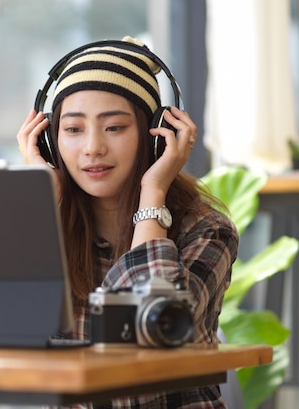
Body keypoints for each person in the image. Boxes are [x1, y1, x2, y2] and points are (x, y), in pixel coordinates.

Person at [17, 37, 238, 408]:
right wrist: (44, 200)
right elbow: (4, 335)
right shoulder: (45, 229)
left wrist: (153, 192)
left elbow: (145, 333)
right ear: (48, 142)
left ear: (155, 136)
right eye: (73, 130)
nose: (92, 148)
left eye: (114, 127)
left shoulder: (206, 231)